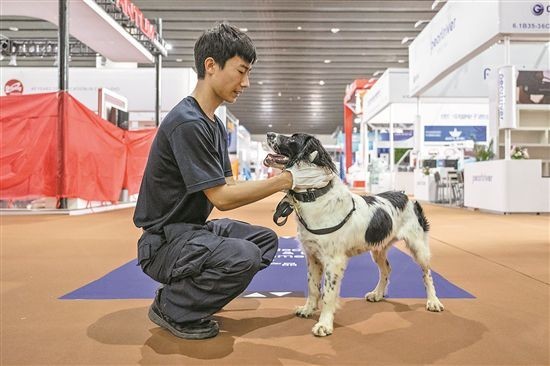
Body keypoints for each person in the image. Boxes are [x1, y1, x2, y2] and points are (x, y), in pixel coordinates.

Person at [133, 23, 333, 340]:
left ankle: (193, 294)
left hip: (190, 230)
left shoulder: (214, 124)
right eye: (241, 72)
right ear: (211, 65)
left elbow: (231, 185)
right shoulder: (188, 124)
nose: (246, 83)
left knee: (265, 242)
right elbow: (223, 199)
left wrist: (285, 176)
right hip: (163, 243)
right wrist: (288, 179)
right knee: (245, 256)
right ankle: (173, 306)